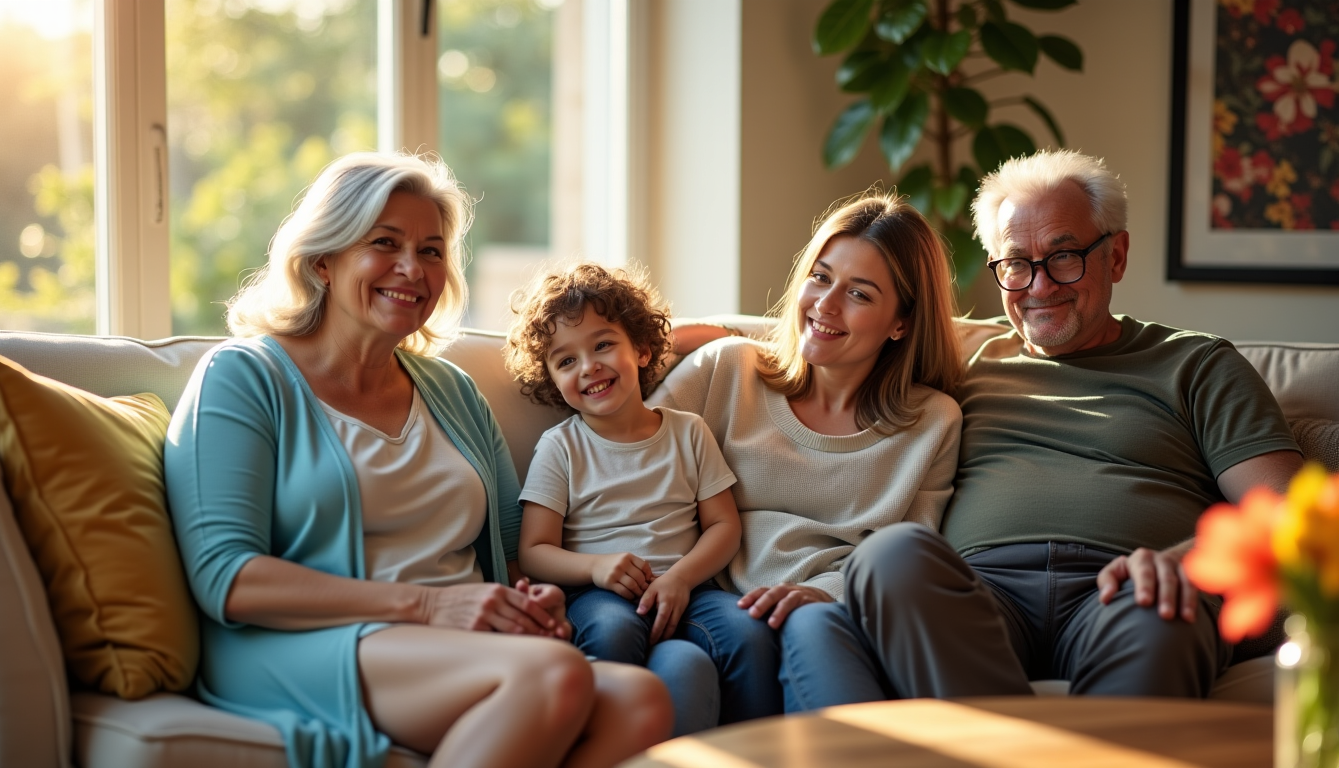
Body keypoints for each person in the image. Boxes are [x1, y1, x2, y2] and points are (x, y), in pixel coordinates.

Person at [164, 152, 671, 768]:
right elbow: (227, 577)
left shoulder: (452, 390)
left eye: (431, 250)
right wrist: (433, 606)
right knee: (552, 676)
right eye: (385, 242)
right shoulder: (244, 376)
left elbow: (508, 556)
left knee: (641, 698)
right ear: (323, 259)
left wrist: (529, 604)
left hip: (453, 639)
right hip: (306, 641)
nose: (412, 268)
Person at [781, 149, 1304, 709]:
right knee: (888, 557)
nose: (1039, 286)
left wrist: (1183, 561)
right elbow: (824, 334)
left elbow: (1289, 511)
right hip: (980, 595)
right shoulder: (960, 357)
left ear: (1117, 255)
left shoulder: (1198, 365)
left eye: (1064, 257)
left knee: (1164, 609)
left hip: (1129, 588)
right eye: (1015, 264)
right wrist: (690, 341)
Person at [647, 192, 966, 711]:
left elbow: (907, 554)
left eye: (859, 295)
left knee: (815, 625)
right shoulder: (728, 369)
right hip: (718, 604)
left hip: (835, 612)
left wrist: (826, 593)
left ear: (901, 322)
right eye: (820, 277)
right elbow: (628, 449)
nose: (825, 305)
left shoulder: (933, 421)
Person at [504, 263, 781, 734]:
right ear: (553, 379)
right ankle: (603, 741)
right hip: (599, 596)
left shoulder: (688, 432)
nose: (588, 366)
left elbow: (724, 526)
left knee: (749, 635)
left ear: (642, 349)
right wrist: (595, 567)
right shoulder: (560, 447)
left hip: (688, 590)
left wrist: (679, 579)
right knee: (613, 633)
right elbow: (533, 551)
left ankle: (757, 752)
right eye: (566, 360)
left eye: (603, 344)